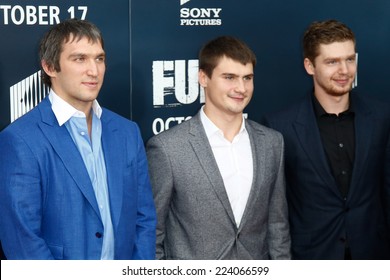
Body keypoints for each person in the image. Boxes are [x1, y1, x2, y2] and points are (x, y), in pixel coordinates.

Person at [0, 18, 156, 260]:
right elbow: (23, 240)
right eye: (79, 59)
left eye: (99, 58)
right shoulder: (20, 139)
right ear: (50, 67)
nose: (94, 71)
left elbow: (144, 219)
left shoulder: (127, 132)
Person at [146, 36, 291, 259]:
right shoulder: (168, 148)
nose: (241, 88)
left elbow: (277, 226)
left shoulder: (271, 143)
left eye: (248, 78)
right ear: (203, 78)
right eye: (230, 77)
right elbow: (152, 232)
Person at [263, 19, 390, 259]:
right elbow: (276, 210)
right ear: (309, 66)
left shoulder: (382, 117)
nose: (344, 70)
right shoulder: (279, 126)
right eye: (332, 62)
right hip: (312, 257)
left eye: (350, 59)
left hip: (374, 254)